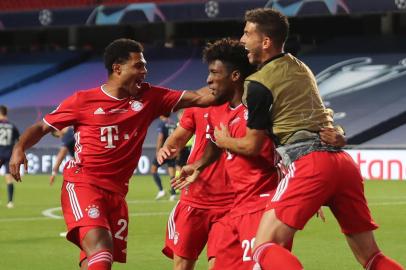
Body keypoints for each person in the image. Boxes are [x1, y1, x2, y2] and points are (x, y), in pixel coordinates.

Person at [211, 8, 403, 270]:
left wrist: (223, 140)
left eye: (247, 34)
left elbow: (252, 145)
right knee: (370, 256)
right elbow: (321, 117)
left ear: (265, 42)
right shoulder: (300, 68)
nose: (242, 40)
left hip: (309, 164)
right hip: (342, 164)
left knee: (264, 247)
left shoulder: (257, 84)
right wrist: (340, 136)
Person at [9, 38, 221, 270]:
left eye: (144, 65)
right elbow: (42, 127)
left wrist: (235, 76)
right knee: (101, 253)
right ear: (117, 68)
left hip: (117, 194)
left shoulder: (151, 97)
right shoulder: (83, 100)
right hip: (84, 184)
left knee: (95, 259)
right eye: (138, 65)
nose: (145, 71)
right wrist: (19, 149)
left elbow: (202, 97)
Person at [171, 39, 342, 270]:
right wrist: (199, 165)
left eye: (214, 72)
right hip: (235, 208)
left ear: (234, 76)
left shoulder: (261, 109)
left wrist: (305, 189)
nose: (208, 79)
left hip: (262, 207)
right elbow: (215, 143)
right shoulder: (217, 110)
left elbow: (306, 136)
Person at [150, 114, 177, 201]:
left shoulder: (162, 123)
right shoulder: (173, 123)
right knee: (172, 172)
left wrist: (158, 150)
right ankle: (173, 194)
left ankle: (161, 190)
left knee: (153, 169)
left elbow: (160, 137)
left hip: (164, 150)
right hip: (172, 150)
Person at [0, 105, 19, 208]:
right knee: (9, 178)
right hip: (9, 154)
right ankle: (10, 202)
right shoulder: (12, 126)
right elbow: (19, 140)